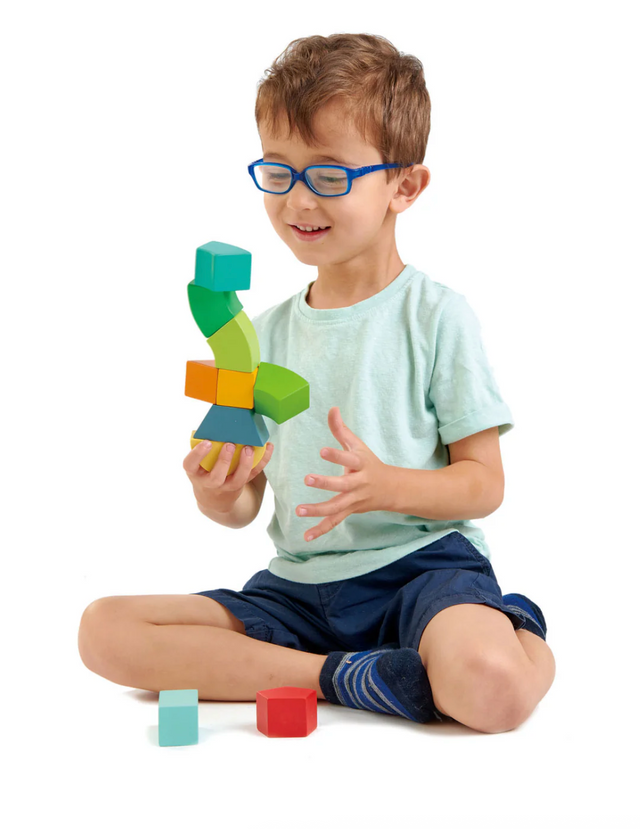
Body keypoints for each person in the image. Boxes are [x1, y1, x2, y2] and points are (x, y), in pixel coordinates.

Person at [78, 33, 555, 734]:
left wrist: (388, 485)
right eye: (279, 172)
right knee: (103, 630)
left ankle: (514, 633)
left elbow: (484, 483)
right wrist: (219, 490)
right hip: (301, 588)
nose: (298, 199)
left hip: (421, 571)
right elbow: (245, 507)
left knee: (495, 691)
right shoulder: (262, 334)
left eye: (329, 175)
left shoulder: (436, 316)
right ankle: (343, 675)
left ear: (405, 185)